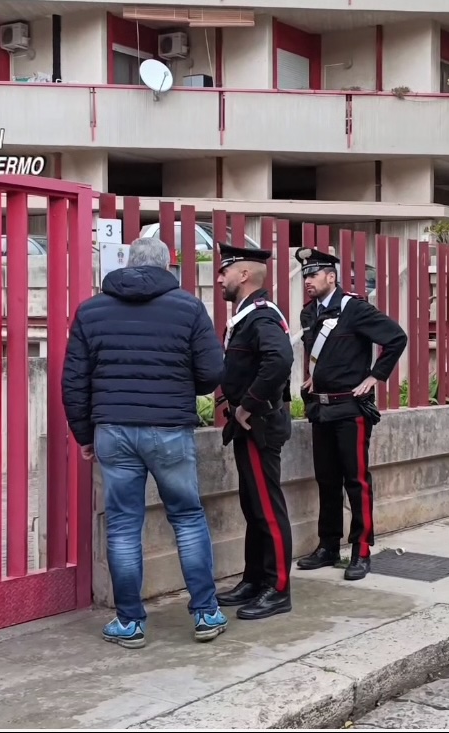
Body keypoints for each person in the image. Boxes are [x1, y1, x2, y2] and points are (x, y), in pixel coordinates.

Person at [62, 237, 227, 650]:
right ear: (167, 266)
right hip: (169, 427)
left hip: (112, 429)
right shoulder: (188, 307)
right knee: (187, 518)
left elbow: (74, 381)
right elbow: (211, 372)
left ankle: (129, 621)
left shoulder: (90, 310)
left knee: (122, 525)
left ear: (128, 263)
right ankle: (206, 612)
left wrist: (84, 434)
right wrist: (180, 385)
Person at [293, 248, 407, 581]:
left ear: (331, 277)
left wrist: (375, 376)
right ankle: (328, 546)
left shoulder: (354, 309)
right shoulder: (308, 314)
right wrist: (314, 376)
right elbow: (321, 355)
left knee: (356, 481)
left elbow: (396, 338)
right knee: (326, 480)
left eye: (314, 275)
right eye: (305, 276)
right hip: (321, 408)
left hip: (350, 410)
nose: (308, 281)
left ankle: (361, 549)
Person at [214, 243, 297, 619]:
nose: (220, 279)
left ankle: (278, 589)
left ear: (244, 275)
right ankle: (254, 580)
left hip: (259, 423)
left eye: (225, 271)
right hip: (249, 425)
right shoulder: (247, 315)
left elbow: (279, 359)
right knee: (253, 505)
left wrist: (247, 403)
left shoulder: (260, 315)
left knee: (267, 507)